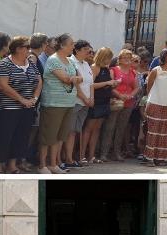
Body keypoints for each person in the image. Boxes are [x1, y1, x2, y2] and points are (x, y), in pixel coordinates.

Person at [0, 36, 42, 174]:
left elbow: (39, 80)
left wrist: (34, 98)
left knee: (21, 136)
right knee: (4, 136)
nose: (29, 50)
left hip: (27, 108)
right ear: (18, 49)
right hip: (7, 108)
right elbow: (2, 85)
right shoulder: (5, 64)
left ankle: (12, 165)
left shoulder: (30, 63)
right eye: (26, 46)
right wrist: (21, 99)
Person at [38, 33, 80, 174]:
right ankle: (42, 165)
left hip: (68, 103)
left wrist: (73, 78)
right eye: (71, 44)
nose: (73, 46)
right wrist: (73, 78)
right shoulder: (53, 60)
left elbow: (78, 77)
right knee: (48, 135)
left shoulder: (71, 61)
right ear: (62, 45)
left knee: (59, 135)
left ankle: (53, 164)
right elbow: (66, 78)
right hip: (53, 103)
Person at [101, 49, 139, 162]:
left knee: (121, 129)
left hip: (128, 103)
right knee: (109, 128)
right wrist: (120, 95)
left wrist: (130, 95)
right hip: (115, 102)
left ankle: (117, 152)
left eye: (129, 57)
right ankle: (104, 153)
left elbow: (136, 87)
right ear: (119, 60)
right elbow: (111, 86)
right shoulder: (114, 70)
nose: (127, 59)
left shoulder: (133, 72)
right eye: (124, 57)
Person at [81, 47, 117, 163]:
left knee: (97, 129)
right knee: (88, 128)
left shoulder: (106, 69)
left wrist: (113, 84)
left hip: (104, 101)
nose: (109, 60)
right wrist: (107, 83)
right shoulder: (94, 68)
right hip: (95, 101)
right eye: (108, 58)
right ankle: (82, 156)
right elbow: (91, 85)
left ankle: (91, 156)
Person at [144, 48, 167, 166]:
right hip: (155, 103)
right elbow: (149, 86)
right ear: (164, 57)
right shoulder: (155, 70)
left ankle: (160, 157)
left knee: (165, 131)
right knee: (153, 131)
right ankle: (149, 158)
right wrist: (151, 99)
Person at [64, 40, 93, 169]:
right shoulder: (71, 62)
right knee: (70, 131)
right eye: (86, 49)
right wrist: (84, 98)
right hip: (76, 101)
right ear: (77, 50)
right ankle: (67, 159)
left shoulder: (86, 64)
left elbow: (91, 83)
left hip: (85, 102)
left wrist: (91, 98)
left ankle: (74, 157)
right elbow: (75, 85)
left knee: (76, 131)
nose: (89, 51)